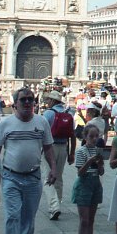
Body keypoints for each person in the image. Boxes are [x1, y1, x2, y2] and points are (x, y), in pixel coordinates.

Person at [0, 87, 58, 234]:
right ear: (15, 103)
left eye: (31, 99)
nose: (28, 102)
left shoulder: (41, 121)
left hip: (33, 177)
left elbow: (48, 148)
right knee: (12, 216)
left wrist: (53, 168)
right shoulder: (5, 124)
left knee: (28, 219)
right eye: (24, 99)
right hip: (10, 176)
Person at [72, 124, 105, 234]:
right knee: (84, 220)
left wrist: (100, 163)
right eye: (91, 136)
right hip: (84, 186)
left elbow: (101, 172)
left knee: (91, 220)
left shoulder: (98, 151)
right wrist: (90, 161)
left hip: (95, 184)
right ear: (85, 137)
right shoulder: (81, 151)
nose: (94, 139)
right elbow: (80, 172)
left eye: (96, 136)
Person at [41, 90, 74, 221]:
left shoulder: (48, 113)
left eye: (49, 100)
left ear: (53, 101)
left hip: (50, 147)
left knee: (48, 177)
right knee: (58, 177)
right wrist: (72, 153)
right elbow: (72, 135)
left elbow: (42, 132)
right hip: (63, 148)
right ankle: (58, 202)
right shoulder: (68, 114)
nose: (47, 102)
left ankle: (54, 207)